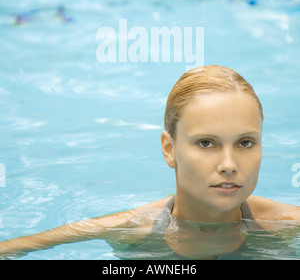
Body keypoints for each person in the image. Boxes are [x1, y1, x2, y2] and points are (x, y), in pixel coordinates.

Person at [0, 65, 299, 260]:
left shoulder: (286, 227)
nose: (229, 164)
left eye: (245, 143)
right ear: (169, 150)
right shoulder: (129, 231)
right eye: (206, 143)